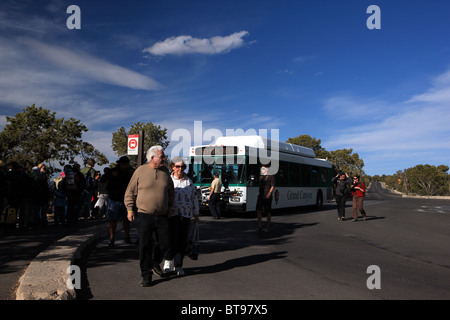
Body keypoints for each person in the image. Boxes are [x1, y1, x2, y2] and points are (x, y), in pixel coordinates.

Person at [124, 146, 175, 287]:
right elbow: (130, 192)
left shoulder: (165, 171)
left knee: (166, 243)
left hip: (163, 214)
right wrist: (129, 209)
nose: (164, 158)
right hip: (145, 215)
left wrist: (170, 206)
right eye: (161, 156)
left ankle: (154, 262)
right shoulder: (140, 171)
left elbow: (171, 191)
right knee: (145, 245)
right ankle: (146, 275)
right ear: (152, 157)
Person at [165, 157, 200, 276]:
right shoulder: (168, 180)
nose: (180, 169)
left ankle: (178, 265)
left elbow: (194, 198)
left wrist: (196, 213)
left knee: (182, 241)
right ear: (172, 167)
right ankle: (168, 259)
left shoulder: (188, 181)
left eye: (182, 167)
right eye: (177, 166)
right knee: (171, 239)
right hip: (171, 214)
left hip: (186, 214)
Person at [105, 156, 134, 246]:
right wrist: (110, 175)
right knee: (113, 220)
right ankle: (112, 238)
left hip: (126, 198)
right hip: (114, 198)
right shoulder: (113, 170)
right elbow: (103, 179)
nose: (124, 166)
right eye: (123, 164)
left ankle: (127, 236)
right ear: (119, 164)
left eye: (126, 164)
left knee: (126, 219)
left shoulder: (131, 171)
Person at [256, 165, 275, 231]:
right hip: (261, 195)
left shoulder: (271, 176)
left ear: (266, 170)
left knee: (268, 211)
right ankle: (259, 226)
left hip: (267, 196)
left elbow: (272, 186)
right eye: (261, 169)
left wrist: (269, 193)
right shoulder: (261, 177)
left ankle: (267, 226)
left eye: (263, 169)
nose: (261, 170)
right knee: (258, 210)